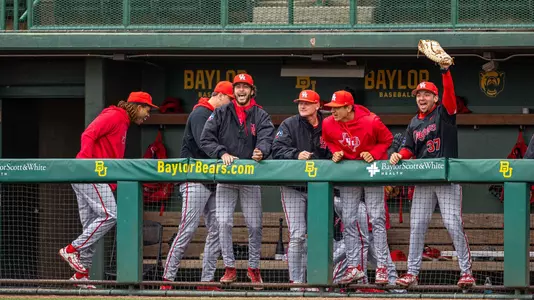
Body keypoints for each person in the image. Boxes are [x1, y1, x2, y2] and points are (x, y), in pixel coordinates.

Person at [389, 63, 475, 288]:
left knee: (452, 223)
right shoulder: (414, 122)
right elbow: (409, 148)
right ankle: (412, 273)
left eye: (427, 94)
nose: (422, 97)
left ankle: (466, 272)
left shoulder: (444, 112)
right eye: (419, 94)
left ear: (435, 98)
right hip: (424, 180)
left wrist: (446, 71)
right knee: (417, 225)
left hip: (447, 178)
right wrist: (400, 155)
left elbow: (450, 94)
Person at [59, 91, 157, 288]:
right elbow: (88, 134)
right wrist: (87, 166)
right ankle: (71, 249)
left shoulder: (124, 121)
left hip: (91, 174)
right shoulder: (114, 115)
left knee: (91, 226)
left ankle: (81, 275)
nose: (148, 114)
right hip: (90, 172)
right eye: (147, 109)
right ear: (138, 106)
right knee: (110, 215)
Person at [200, 73, 274, 288]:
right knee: (222, 222)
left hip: (250, 177)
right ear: (233, 91)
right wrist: (221, 152)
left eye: (245, 87)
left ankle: (253, 267)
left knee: (255, 224)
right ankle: (230, 268)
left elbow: (267, 136)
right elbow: (206, 138)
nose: (241, 90)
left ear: (252, 90)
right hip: (227, 176)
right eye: (238, 86)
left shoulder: (260, 114)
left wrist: (262, 151)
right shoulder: (222, 112)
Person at [161, 81, 234, 291]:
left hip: (211, 181)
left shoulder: (216, 115)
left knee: (218, 230)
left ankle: (206, 281)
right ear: (220, 96)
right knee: (188, 228)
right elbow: (205, 143)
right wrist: (225, 152)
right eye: (229, 99)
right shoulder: (201, 113)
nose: (229, 105)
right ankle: (167, 280)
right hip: (193, 179)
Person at [321, 90, 394, 285]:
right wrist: (336, 151)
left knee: (377, 218)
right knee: (349, 219)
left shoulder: (371, 121)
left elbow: (387, 140)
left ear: (349, 107)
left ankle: (382, 267)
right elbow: (328, 140)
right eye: (331, 108)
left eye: (337, 108)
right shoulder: (328, 123)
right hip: (350, 173)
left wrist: (374, 153)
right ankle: (354, 267)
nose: (332, 112)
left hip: (370, 171)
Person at [271, 90, 331, 290]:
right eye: (300, 103)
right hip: (293, 187)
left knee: (318, 235)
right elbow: (276, 149)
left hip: (320, 188)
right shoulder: (290, 124)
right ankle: (296, 282)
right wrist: (295, 154)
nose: (302, 106)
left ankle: (314, 279)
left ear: (317, 106)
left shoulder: (330, 124)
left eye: (307, 103)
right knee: (297, 234)